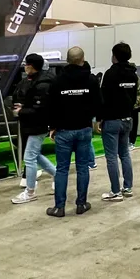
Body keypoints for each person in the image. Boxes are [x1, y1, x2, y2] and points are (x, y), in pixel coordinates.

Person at [45, 46, 102, 218]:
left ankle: (59, 207)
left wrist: (52, 127)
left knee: (62, 169)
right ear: (82, 59)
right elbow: (99, 103)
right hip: (84, 129)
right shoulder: (91, 80)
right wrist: (97, 121)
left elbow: (51, 106)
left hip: (63, 130)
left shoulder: (58, 81)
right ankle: (81, 203)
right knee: (82, 167)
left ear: (68, 61)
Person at [11, 53, 56, 204]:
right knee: (34, 155)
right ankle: (58, 175)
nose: (25, 66)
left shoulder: (43, 83)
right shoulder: (32, 81)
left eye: (27, 64)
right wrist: (23, 107)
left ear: (32, 66)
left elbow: (40, 108)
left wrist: (21, 111)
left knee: (29, 157)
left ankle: (30, 191)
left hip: (38, 125)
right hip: (31, 124)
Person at [100, 42, 139, 202]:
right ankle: (128, 187)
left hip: (112, 119)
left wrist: (100, 118)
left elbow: (104, 98)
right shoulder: (133, 74)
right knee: (125, 154)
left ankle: (115, 191)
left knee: (111, 157)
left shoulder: (110, 74)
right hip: (127, 118)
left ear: (114, 56)